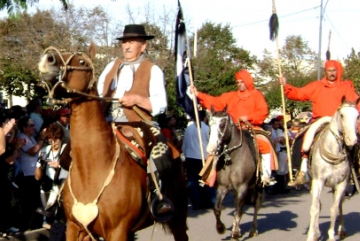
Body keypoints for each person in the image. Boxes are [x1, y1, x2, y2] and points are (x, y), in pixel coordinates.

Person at [96, 24, 172, 220]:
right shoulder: (111, 67)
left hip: (139, 123)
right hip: (108, 122)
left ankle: (159, 196)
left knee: (160, 147)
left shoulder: (153, 70)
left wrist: (137, 100)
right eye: (124, 42)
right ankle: (63, 194)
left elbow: (161, 103)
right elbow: (98, 94)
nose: (127, 46)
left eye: (132, 42)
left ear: (143, 46)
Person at [280, 60, 360, 187]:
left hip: (339, 122)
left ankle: (359, 167)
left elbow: (355, 103)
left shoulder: (345, 86)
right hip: (320, 120)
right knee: (303, 138)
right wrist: (286, 86)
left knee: (358, 138)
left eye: (334, 70)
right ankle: (301, 172)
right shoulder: (316, 86)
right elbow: (299, 93)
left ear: (338, 71)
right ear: (325, 71)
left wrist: (352, 115)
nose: (332, 73)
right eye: (329, 70)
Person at [190, 69, 276, 186]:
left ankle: (266, 175)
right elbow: (215, 101)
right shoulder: (230, 96)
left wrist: (249, 117)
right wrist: (198, 94)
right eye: (238, 82)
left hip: (251, 128)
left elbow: (263, 111)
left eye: (242, 82)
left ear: (248, 82)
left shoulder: (257, 95)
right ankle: (209, 176)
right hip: (233, 129)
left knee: (264, 144)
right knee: (215, 146)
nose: (240, 84)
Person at [35, 123, 68, 241]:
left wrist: (59, 165)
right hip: (47, 190)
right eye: (50, 140)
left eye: (56, 140)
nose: (53, 143)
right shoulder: (44, 151)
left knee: (57, 224)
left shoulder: (67, 150)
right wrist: (40, 165)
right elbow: (37, 177)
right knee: (55, 224)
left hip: (62, 189)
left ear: (61, 138)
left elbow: (74, 168)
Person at [181, 111, 212, 209]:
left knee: (193, 181)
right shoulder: (207, 129)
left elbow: (184, 145)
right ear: (204, 118)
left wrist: (186, 154)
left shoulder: (188, 130)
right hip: (202, 157)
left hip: (190, 157)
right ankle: (208, 201)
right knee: (205, 180)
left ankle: (196, 203)